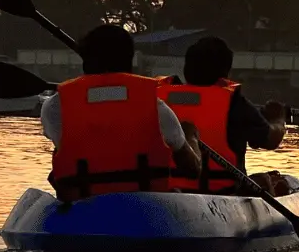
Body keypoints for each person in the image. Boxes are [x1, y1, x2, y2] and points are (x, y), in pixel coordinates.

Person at [41, 24, 201, 202]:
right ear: (130, 62)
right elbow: (192, 170)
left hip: (82, 211)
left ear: (85, 63)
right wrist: (190, 135)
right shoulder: (156, 107)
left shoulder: (54, 107)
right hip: (145, 212)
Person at [160, 35, 288, 194]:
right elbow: (270, 140)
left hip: (170, 194)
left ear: (187, 70)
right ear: (225, 73)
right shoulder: (235, 103)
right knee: (265, 181)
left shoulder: (161, 100)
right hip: (224, 194)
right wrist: (278, 120)